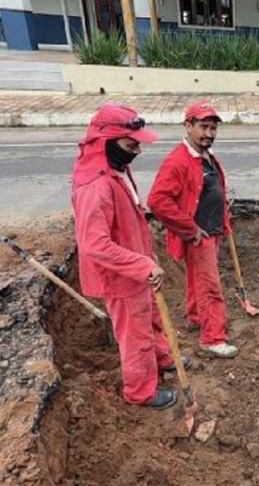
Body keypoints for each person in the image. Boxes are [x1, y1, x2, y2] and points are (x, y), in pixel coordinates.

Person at [71, 104, 190, 410]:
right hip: (120, 277)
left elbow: (131, 217)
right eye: (131, 144)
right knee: (135, 335)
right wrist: (140, 264)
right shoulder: (95, 185)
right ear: (108, 141)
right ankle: (141, 391)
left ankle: (163, 358)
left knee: (152, 317)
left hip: (137, 267)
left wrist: (147, 257)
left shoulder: (117, 167)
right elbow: (94, 243)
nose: (137, 150)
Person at [148, 101, 239, 359]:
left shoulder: (205, 156)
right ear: (188, 126)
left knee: (195, 280)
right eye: (203, 127)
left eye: (213, 128)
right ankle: (213, 339)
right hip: (199, 236)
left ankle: (196, 318)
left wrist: (222, 219)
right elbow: (158, 200)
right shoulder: (178, 161)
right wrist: (190, 228)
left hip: (211, 231)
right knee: (211, 287)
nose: (209, 133)